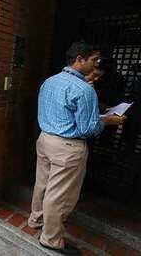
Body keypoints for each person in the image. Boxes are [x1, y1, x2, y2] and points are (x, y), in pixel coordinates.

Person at [27, 42, 126, 255]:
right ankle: (51, 239)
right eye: (94, 60)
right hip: (67, 147)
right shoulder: (84, 89)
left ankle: (36, 219)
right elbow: (88, 129)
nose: (97, 64)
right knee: (60, 195)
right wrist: (108, 121)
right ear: (80, 59)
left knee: (42, 183)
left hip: (45, 139)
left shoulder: (50, 81)